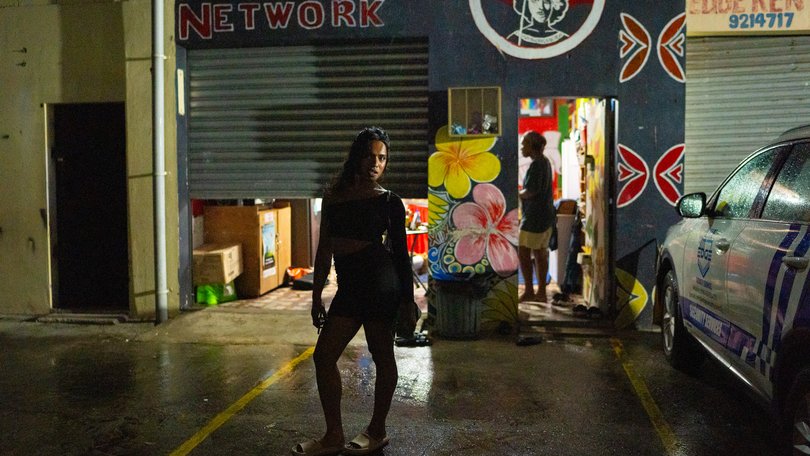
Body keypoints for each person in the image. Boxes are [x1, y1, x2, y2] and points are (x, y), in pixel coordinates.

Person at [291, 127, 415, 456]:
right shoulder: (333, 197)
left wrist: (408, 301)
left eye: (383, 158)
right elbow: (324, 251)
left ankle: (377, 430)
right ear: (357, 158)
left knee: (382, 355)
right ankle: (333, 435)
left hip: (380, 284)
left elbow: (401, 255)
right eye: (371, 156)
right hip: (349, 288)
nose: (377, 163)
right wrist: (316, 295)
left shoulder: (390, 202)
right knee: (323, 356)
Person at [518, 131, 556, 303]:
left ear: (532, 146)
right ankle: (540, 292)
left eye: (524, 144)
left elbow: (531, 191)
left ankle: (529, 291)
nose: (521, 147)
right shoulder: (544, 162)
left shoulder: (537, 165)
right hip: (544, 216)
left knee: (524, 252)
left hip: (534, 217)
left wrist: (517, 194)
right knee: (540, 253)